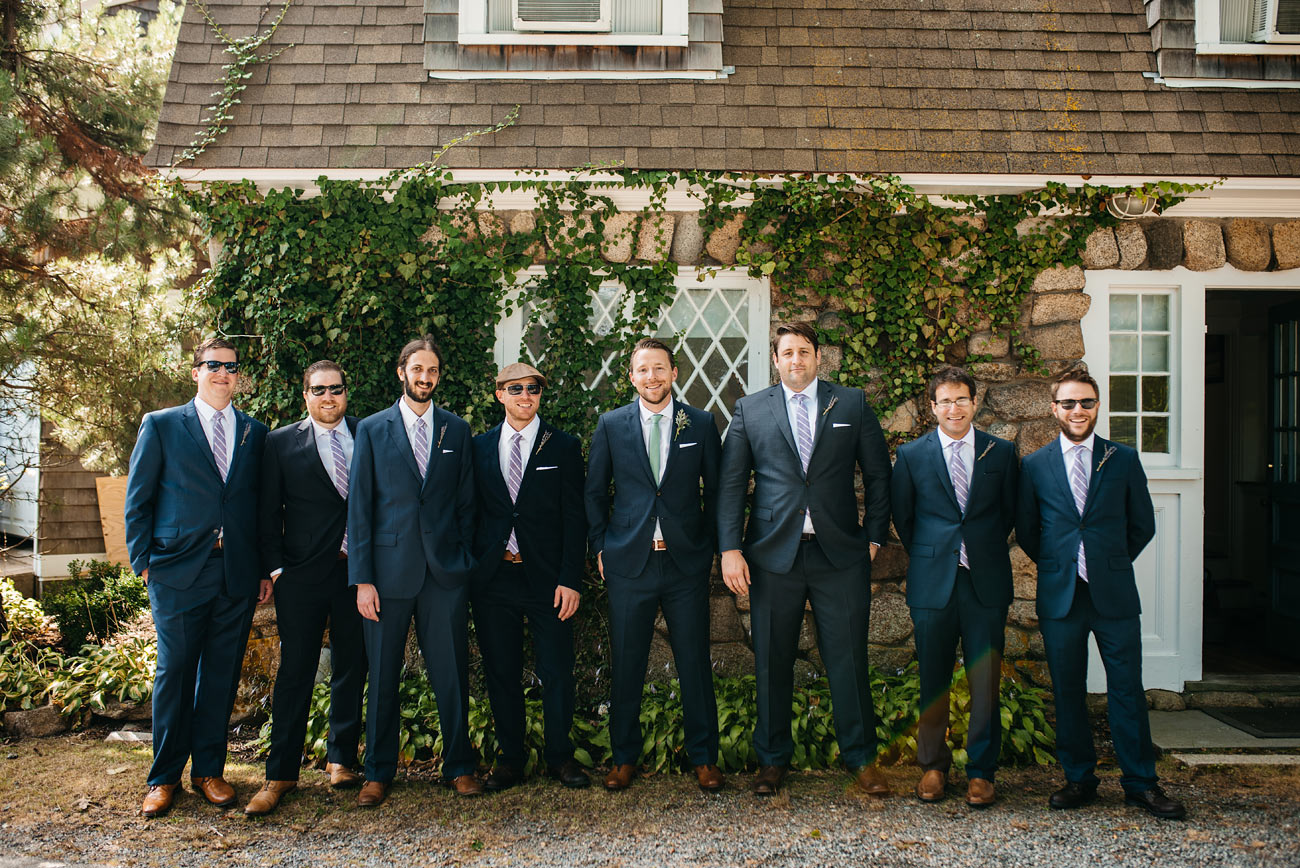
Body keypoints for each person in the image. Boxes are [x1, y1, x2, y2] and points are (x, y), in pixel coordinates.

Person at [717, 321, 892, 797]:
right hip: (774, 556)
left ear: (819, 358)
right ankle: (772, 760)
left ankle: (861, 760)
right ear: (775, 360)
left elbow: (878, 475)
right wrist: (730, 549)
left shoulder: (850, 403)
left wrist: (874, 535)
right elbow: (732, 483)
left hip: (840, 555)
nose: (796, 360)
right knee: (772, 661)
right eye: (787, 352)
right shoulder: (750, 410)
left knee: (849, 659)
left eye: (805, 352)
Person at [1017, 368, 1186, 819]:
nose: (1078, 411)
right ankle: (1079, 779)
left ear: (1097, 406)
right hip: (1061, 596)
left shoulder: (1123, 458)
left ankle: (1141, 783)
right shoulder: (1034, 465)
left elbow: (1142, 524)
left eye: (1086, 403)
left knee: (1126, 689)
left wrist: (1108, 561)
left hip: (1113, 596)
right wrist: (1062, 564)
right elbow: (1030, 532)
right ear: (1054, 408)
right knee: (1068, 691)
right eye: (1068, 403)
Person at [124, 337, 270, 818]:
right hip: (176, 569)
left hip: (236, 572)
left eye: (230, 366)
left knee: (221, 674)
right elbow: (139, 497)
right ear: (195, 371)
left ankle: (209, 770)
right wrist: (142, 559)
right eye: (213, 365)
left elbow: (262, 507)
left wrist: (265, 567)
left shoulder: (254, 431)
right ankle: (163, 778)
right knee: (175, 672)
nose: (222, 373)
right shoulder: (163, 425)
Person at [585, 338, 725, 793]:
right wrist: (603, 546)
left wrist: (709, 546)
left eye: (659, 369)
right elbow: (594, 493)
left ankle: (704, 758)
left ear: (674, 373)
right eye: (643, 370)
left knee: (694, 662)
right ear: (631, 377)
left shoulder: (701, 423)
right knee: (628, 663)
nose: (652, 377)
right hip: (630, 562)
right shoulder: (611, 425)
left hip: (685, 564)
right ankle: (624, 758)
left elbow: (718, 490)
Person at [347, 335, 481, 806]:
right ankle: (378, 772)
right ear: (401, 371)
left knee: (451, 675)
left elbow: (467, 503)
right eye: (417, 369)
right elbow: (360, 508)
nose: (425, 378)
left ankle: (460, 766)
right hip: (386, 575)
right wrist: (362, 579)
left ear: (438, 377)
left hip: (444, 575)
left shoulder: (456, 430)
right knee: (382, 676)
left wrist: (461, 560)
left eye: (433, 371)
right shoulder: (371, 429)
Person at [891, 366, 1017, 807]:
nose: (954, 408)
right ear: (932, 407)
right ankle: (933, 767)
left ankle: (982, 772)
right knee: (933, 678)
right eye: (945, 400)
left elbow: (1008, 514)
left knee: (984, 680)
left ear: (975, 402)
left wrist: (976, 547)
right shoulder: (911, 456)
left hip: (985, 581)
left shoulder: (1001, 453)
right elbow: (904, 518)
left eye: (961, 399)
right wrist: (934, 552)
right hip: (932, 582)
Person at [245, 360, 367, 816]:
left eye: (335, 389)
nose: (328, 397)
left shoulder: (368, 433)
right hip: (300, 576)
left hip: (356, 572)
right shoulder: (279, 443)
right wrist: (276, 570)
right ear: (306, 395)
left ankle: (342, 759)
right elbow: (265, 511)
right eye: (319, 390)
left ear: (345, 392)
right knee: (295, 671)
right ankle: (280, 774)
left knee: (352, 665)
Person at [470, 362, 590, 791]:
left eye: (534, 389)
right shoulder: (478, 447)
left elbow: (576, 519)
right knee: (501, 671)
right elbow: (470, 513)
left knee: (556, 670)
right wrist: (473, 567)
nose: (526, 396)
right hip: (495, 578)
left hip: (548, 580)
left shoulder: (562, 446)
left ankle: (561, 757)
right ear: (500, 394)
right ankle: (511, 760)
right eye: (516, 388)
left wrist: (571, 578)